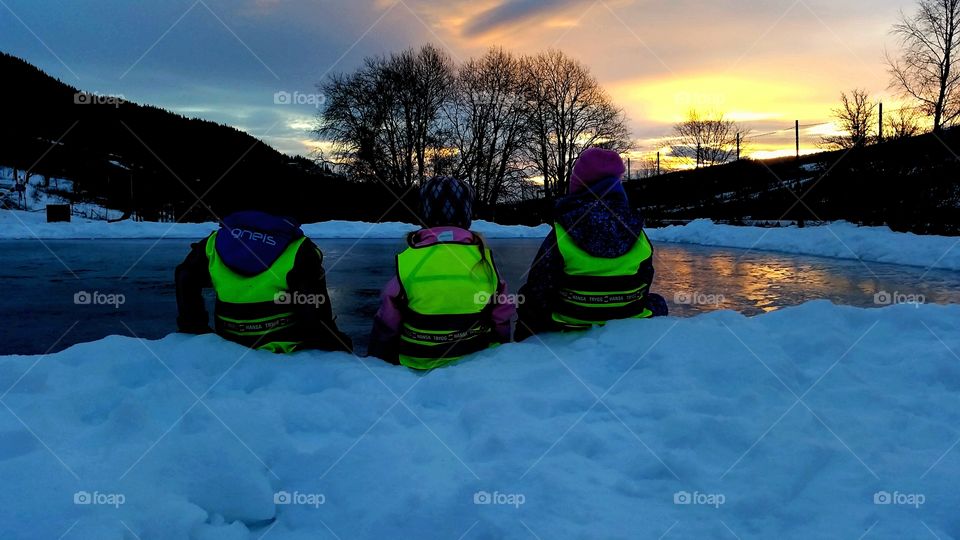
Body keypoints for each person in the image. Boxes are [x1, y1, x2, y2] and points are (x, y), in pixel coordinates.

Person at [515, 147, 667, 340]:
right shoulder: (635, 228)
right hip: (628, 315)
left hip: (569, 319)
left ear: (577, 187)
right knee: (657, 302)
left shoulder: (564, 228)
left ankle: (523, 346)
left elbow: (539, 285)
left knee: (525, 298)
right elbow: (646, 277)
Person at [368, 177, 515, 369]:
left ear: (424, 213)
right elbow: (502, 316)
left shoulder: (411, 261)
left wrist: (378, 356)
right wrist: (502, 345)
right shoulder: (484, 261)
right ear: (466, 215)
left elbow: (387, 322)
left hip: (417, 362)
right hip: (476, 362)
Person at [175, 209, 352, 353]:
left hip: (229, 343)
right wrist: (332, 340)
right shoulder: (298, 247)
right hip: (285, 346)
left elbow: (185, 276)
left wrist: (194, 326)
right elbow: (311, 306)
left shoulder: (213, 242)